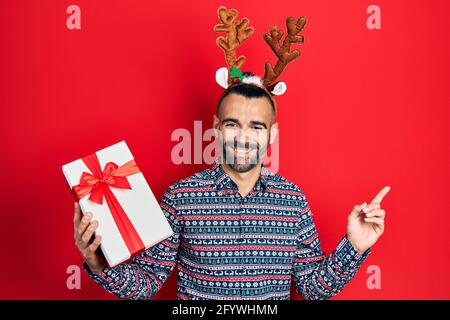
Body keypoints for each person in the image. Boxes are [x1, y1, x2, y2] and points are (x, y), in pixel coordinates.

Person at [73, 6, 390, 300]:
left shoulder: (293, 201)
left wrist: (355, 245)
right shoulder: (180, 198)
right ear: (216, 128)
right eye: (232, 124)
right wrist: (99, 262)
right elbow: (146, 283)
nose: (242, 137)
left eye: (256, 126)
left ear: (272, 134)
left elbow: (313, 288)